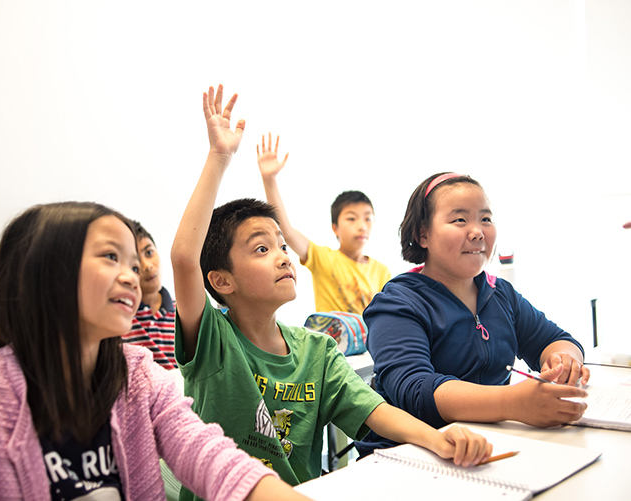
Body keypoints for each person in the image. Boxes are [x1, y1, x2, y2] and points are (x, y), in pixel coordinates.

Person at [171, 86, 492, 500]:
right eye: (262, 249)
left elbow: (376, 411)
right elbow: (184, 257)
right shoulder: (214, 340)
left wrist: (436, 439)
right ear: (221, 281)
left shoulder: (317, 352)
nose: (284, 257)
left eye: (282, 247)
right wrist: (219, 158)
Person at [0, 201, 309, 501]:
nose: (132, 276)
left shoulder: (140, 377)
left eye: (135, 265)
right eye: (111, 257)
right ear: (47, 272)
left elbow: (210, 455)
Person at [356, 172, 591, 456]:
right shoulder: (397, 303)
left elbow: (555, 339)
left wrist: (564, 360)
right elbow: (415, 390)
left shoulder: (500, 293)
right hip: (408, 455)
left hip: (488, 445)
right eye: (459, 219)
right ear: (423, 235)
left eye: (486, 219)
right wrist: (512, 403)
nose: (478, 231)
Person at [257, 133, 391, 314]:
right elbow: (286, 231)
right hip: (332, 341)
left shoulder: (382, 271)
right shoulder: (323, 259)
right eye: (351, 218)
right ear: (335, 227)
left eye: (368, 218)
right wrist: (269, 179)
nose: (362, 226)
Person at [122, 220, 177, 370]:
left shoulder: (184, 313)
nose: (147, 266)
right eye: (136, 261)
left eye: (149, 252)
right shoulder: (120, 318)